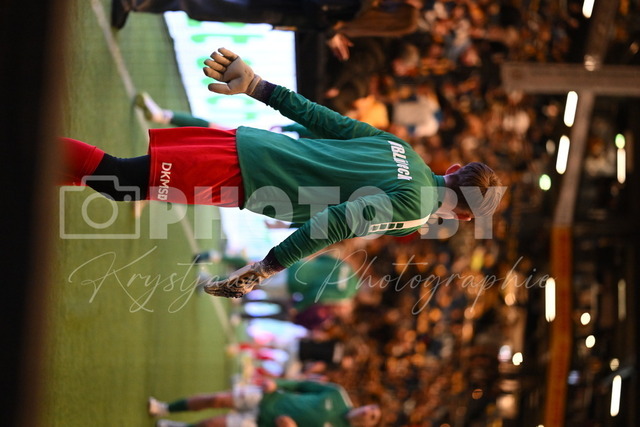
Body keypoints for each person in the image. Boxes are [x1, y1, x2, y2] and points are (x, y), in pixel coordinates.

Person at [60, 47, 504, 298]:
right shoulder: (416, 210)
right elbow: (336, 222)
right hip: (245, 174)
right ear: (463, 216)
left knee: (125, 183)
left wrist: (259, 86)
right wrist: (264, 269)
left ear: (453, 169)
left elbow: (324, 119)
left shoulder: (403, 149)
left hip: (252, 149)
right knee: (120, 181)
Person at [147, 378, 381, 427]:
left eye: (372, 417)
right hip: (268, 397)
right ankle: (163, 408)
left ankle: (177, 426)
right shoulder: (337, 394)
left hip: (262, 423)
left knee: (211, 425)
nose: (367, 413)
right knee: (216, 399)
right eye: (371, 409)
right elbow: (301, 385)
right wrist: (275, 383)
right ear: (366, 405)